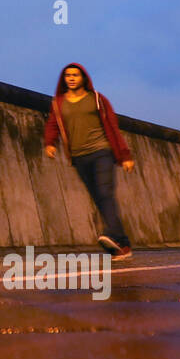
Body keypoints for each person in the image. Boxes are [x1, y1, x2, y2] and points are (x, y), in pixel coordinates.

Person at [43, 62, 136, 261]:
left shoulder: (97, 99)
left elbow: (112, 126)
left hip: (102, 152)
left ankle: (112, 235)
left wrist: (125, 155)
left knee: (105, 192)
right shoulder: (58, 103)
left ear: (83, 78)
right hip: (78, 157)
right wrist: (50, 143)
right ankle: (123, 244)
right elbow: (53, 124)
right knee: (99, 198)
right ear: (64, 79)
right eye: (68, 75)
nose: (71, 78)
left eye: (76, 75)